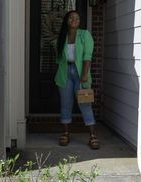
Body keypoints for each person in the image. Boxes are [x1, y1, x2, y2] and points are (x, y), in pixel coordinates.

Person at [55, 10, 100, 149]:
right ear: (66, 20)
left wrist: (85, 75)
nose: (74, 19)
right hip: (64, 73)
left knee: (85, 104)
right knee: (65, 104)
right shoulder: (62, 36)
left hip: (81, 74)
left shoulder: (84, 34)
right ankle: (66, 133)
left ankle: (92, 136)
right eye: (71, 17)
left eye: (77, 17)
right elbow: (59, 58)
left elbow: (87, 56)